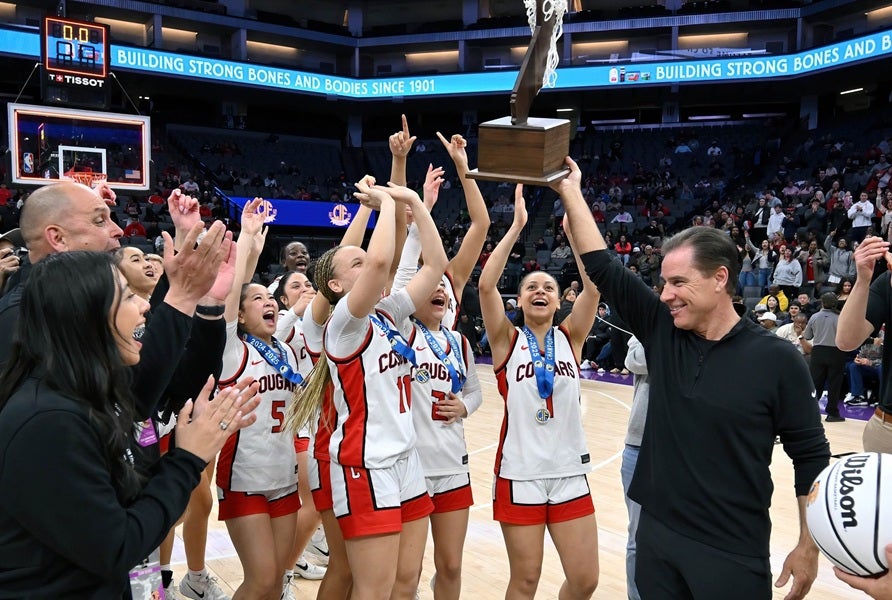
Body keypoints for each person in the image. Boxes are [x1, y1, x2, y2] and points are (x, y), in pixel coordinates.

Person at [556, 155, 830, 599]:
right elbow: (604, 267)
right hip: (658, 537)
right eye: (664, 283)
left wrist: (808, 543)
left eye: (678, 283)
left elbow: (811, 457)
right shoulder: (663, 328)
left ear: (720, 278)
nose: (665, 295)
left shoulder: (779, 360)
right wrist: (570, 191)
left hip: (732, 550)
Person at [0, 251, 260, 598]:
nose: (144, 307)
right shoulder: (49, 421)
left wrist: (209, 302)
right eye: (127, 296)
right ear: (87, 315)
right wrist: (187, 458)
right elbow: (119, 545)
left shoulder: (89, 390)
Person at [288, 176, 446, 600]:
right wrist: (386, 205)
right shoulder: (342, 323)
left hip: (406, 458)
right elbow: (380, 264)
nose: (369, 265)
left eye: (364, 259)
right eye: (353, 264)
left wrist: (413, 200)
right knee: (370, 588)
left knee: (406, 583)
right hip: (365, 463)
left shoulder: (388, 313)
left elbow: (434, 265)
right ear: (336, 286)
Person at [480, 183, 600, 599]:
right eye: (531, 287)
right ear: (520, 299)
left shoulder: (573, 336)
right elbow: (485, 287)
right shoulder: (505, 341)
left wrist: (574, 236)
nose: (540, 292)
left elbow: (594, 288)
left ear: (558, 300)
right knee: (526, 581)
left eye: (548, 287)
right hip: (521, 474)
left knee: (585, 581)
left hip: (570, 473)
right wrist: (515, 227)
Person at [216, 198, 305, 599]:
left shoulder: (286, 351)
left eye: (270, 299)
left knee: (276, 584)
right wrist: (248, 237)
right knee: (261, 579)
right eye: (257, 300)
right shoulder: (233, 349)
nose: (268, 303)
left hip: (284, 478)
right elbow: (228, 299)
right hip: (245, 478)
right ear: (241, 312)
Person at [622, 336, 648, 600]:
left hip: (680, 448)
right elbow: (638, 361)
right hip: (638, 447)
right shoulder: (641, 337)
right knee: (637, 537)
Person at [800, 292, 847, 422]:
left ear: (822, 303)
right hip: (836, 352)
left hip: (818, 352)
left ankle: (809, 412)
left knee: (815, 383)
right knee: (834, 384)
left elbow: (808, 336)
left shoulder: (814, 316)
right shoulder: (841, 317)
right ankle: (832, 413)